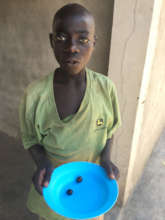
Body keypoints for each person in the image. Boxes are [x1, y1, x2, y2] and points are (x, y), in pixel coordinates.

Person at [19, 3, 121, 220]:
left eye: (83, 40)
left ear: (94, 43)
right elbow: (30, 139)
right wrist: (42, 162)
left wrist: (106, 158)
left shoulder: (105, 89)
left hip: (90, 189)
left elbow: (110, 130)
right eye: (62, 38)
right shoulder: (35, 95)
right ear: (51, 41)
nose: (72, 47)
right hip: (53, 189)